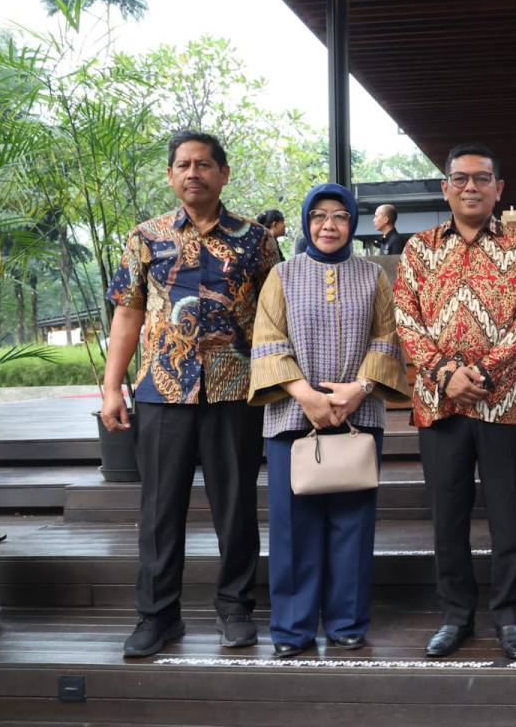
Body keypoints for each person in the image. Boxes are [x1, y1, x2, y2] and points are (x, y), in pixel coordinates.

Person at [102, 130, 280, 658]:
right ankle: (158, 617)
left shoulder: (256, 240)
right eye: (183, 164)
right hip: (163, 390)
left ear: (223, 173)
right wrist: (112, 386)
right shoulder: (145, 237)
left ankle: (235, 609)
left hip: (234, 390)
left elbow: (276, 318)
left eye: (204, 164)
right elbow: (128, 312)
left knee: (235, 507)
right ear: (170, 175)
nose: (192, 172)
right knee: (159, 510)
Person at [394, 142, 516, 660]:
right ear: (446, 188)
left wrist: (480, 372)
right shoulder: (418, 249)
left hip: (505, 404)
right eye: (460, 178)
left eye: (482, 178)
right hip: (440, 406)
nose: (471, 187)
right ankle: (455, 615)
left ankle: (509, 618)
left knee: (508, 517)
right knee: (448, 518)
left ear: (499, 189)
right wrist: (443, 374)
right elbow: (406, 321)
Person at [249, 182, 410, 658]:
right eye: (318, 215)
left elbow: (387, 340)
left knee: (352, 525)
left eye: (340, 216)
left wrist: (354, 393)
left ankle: (346, 623)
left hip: (358, 416)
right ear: (306, 221)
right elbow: (268, 341)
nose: (329, 225)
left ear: (353, 222)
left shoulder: (373, 277)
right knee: (292, 529)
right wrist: (307, 396)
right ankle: (293, 630)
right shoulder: (282, 275)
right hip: (290, 418)